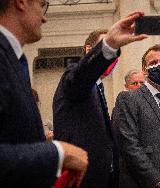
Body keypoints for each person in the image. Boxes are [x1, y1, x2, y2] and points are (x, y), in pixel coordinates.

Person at [53, 12, 147, 188]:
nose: (114, 56)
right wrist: (109, 45)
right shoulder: (74, 78)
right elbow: (81, 76)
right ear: (90, 50)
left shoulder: (98, 87)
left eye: (116, 51)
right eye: (111, 49)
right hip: (82, 179)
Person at [0, 0, 88, 187]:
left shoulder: (13, 59)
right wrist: (57, 153)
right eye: (42, 5)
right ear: (21, 2)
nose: (45, 18)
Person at [112, 44, 160, 188]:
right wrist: (158, 181)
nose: (159, 66)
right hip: (138, 183)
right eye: (153, 63)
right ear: (144, 70)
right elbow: (129, 145)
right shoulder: (128, 98)